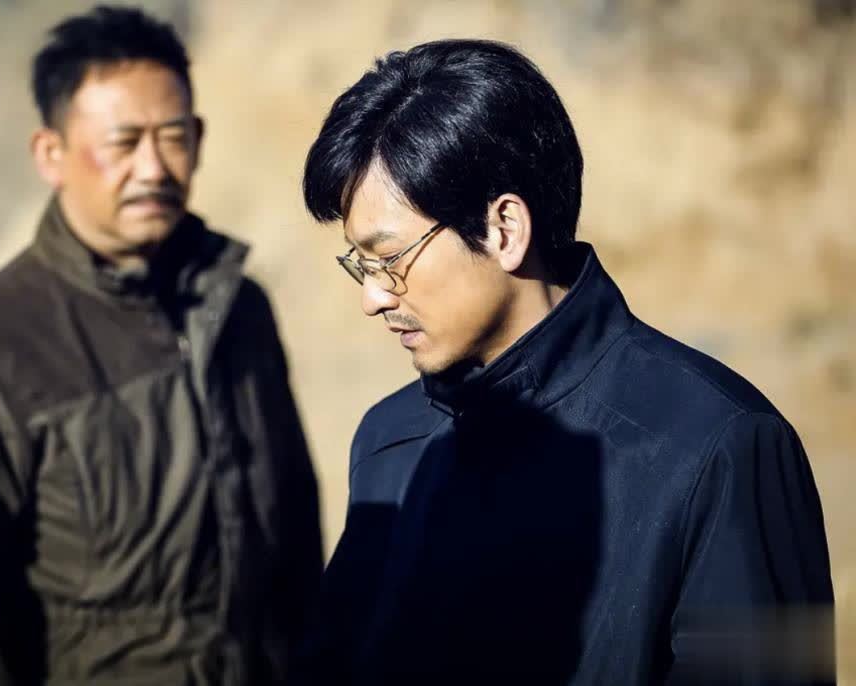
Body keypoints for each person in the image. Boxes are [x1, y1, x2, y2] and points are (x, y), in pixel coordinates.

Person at [300, 39, 834, 685]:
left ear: (504, 229)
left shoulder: (718, 445)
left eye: (389, 259)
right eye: (360, 264)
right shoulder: (391, 440)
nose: (374, 298)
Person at [0, 6, 322, 684]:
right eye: (123, 143)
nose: (153, 168)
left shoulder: (239, 310)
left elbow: (296, 540)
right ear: (50, 155)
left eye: (173, 137)